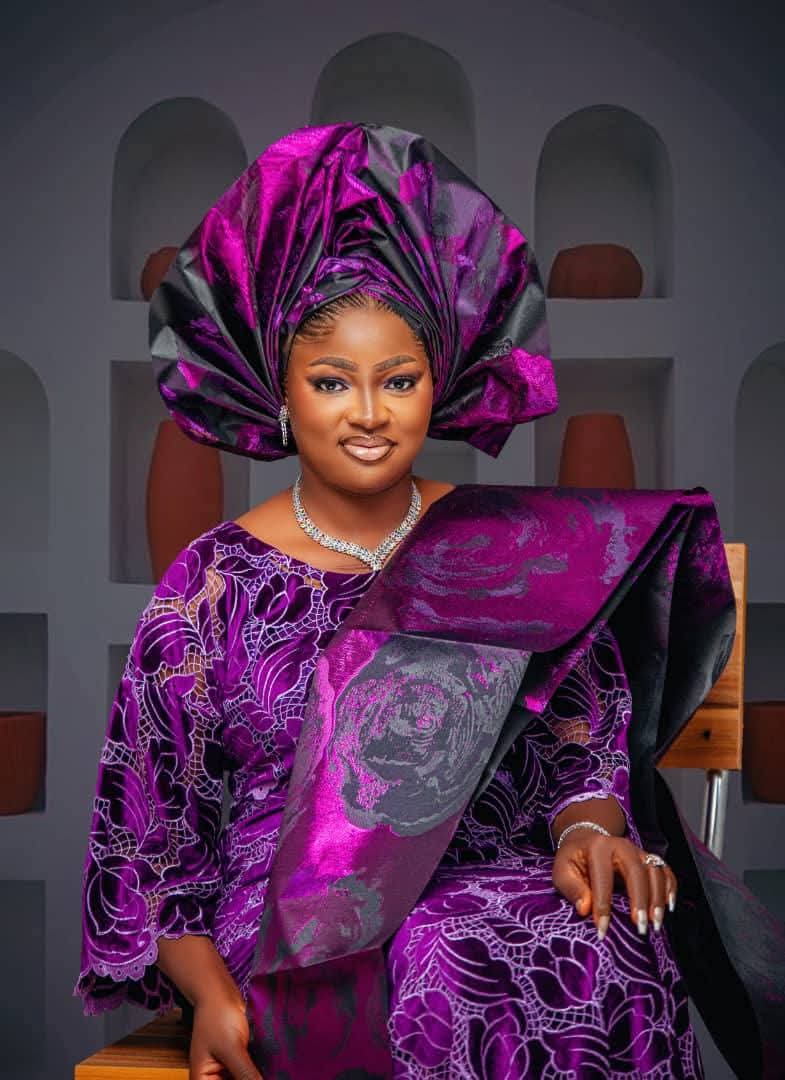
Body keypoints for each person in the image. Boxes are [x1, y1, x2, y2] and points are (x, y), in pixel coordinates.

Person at [74, 122, 784, 1080]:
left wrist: (588, 830)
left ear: (436, 384)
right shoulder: (212, 588)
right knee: (438, 953)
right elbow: (151, 848)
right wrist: (209, 995)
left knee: (605, 939)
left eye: (398, 380)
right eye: (331, 382)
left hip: (510, 886)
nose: (368, 413)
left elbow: (580, 741)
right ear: (280, 390)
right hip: (298, 926)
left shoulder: (509, 549)